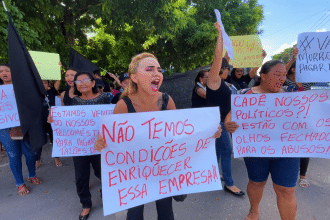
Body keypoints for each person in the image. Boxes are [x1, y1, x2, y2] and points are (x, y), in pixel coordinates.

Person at [94, 52, 222, 220]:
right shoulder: (123, 105)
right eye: (149, 69)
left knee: (166, 213)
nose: (157, 73)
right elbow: (108, 138)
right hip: (134, 174)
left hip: (163, 170)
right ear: (134, 77)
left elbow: (180, 136)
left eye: (159, 70)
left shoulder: (167, 101)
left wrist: (208, 133)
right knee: (134, 215)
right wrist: (100, 143)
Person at [225, 60, 299, 220]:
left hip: (287, 151)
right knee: (256, 183)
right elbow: (231, 114)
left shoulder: (292, 94)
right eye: (277, 74)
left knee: (286, 190)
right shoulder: (244, 94)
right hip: (256, 150)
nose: (282, 78)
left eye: (284, 75)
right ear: (263, 76)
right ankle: (254, 211)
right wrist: (227, 123)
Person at [48, 71, 110, 220]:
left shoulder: (104, 98)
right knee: (81, 177)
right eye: (78, 81)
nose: (82, 83)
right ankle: (86, 205)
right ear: (75, 85)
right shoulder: (74, 101)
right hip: (80, 146)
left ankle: (107, 194)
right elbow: (67, 121)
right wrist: (54, 119)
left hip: (99, 145)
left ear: (93, 83)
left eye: (86, 80)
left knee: (103, 173)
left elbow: (111, 119)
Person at [206, 22, 245, 197]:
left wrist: (229, 43)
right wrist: (220, 33)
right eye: (226, 66)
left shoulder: (222, 82)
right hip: (217, 122)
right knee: (227, 150)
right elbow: (217, 57)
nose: (228, 67)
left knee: (218, 150)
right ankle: (229, 183)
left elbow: (226, 56)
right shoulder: (213, 81)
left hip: (222, 120)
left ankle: (212, 175)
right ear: (222, 69)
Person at [0, 64, 42, 195]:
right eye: (1, 71)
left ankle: (32, 175)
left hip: (24, 126)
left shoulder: (23, 88)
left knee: (30, 152)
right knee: (14, 155)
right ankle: (20, 183)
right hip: (4, 127)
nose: (4, 73)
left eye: (7, 70)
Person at [284, 59, 311, 188]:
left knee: (305, 148)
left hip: (303, 119)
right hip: (286, 120)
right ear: (293, 69)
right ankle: (290, 173)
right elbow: (282, 71)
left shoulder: (306, 83)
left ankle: (303, 176)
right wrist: (293, 58)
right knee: (290, 147)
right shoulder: (285, 80)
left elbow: (308, 98)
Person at [35, 80, 62, 168]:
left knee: (54, 139)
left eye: (45, 83)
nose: (43, 84)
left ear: (48, 85)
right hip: (39, 121)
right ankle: (37, 159)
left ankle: (56, 158)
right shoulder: (34, 94)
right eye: (41, 83)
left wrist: (57, 69)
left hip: (52, 121)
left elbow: (58, 81)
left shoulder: (51, 92)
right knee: (39, 141)